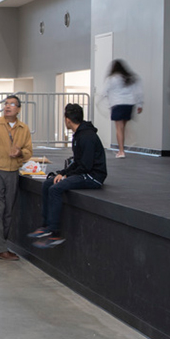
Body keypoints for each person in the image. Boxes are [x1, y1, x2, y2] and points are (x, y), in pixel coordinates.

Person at [30, 103, 107, 249]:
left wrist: (65, 177)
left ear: (67, 120)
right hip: (83, 171)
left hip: (93, 176)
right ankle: (46, 226)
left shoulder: (87, 137)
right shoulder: (79, 135)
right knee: (48, 183)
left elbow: (85, 166)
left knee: (55, 189)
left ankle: (54, 232)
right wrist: (62, 173)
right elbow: (77, 162)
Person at [0, 96, 34, 261]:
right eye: (6, 104)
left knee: (8, 211)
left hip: (13, 172)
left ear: (18, 109)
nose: (7, 107)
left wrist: (20, 153)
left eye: (11, 104)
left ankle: (1, 244)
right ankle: (0, 248)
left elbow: (29, 151)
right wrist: (5, 151)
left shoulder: (24, 128)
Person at [103, 60, 144, 158]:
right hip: (129, 105)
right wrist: (140, 105)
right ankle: (123, 148)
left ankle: (121, 151)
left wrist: (105, 101)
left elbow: (105, 91)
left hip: (117, 104)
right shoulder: (130, 78)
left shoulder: (112, 79)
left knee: (119, 128)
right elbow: (138, 92)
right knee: (123, 128)